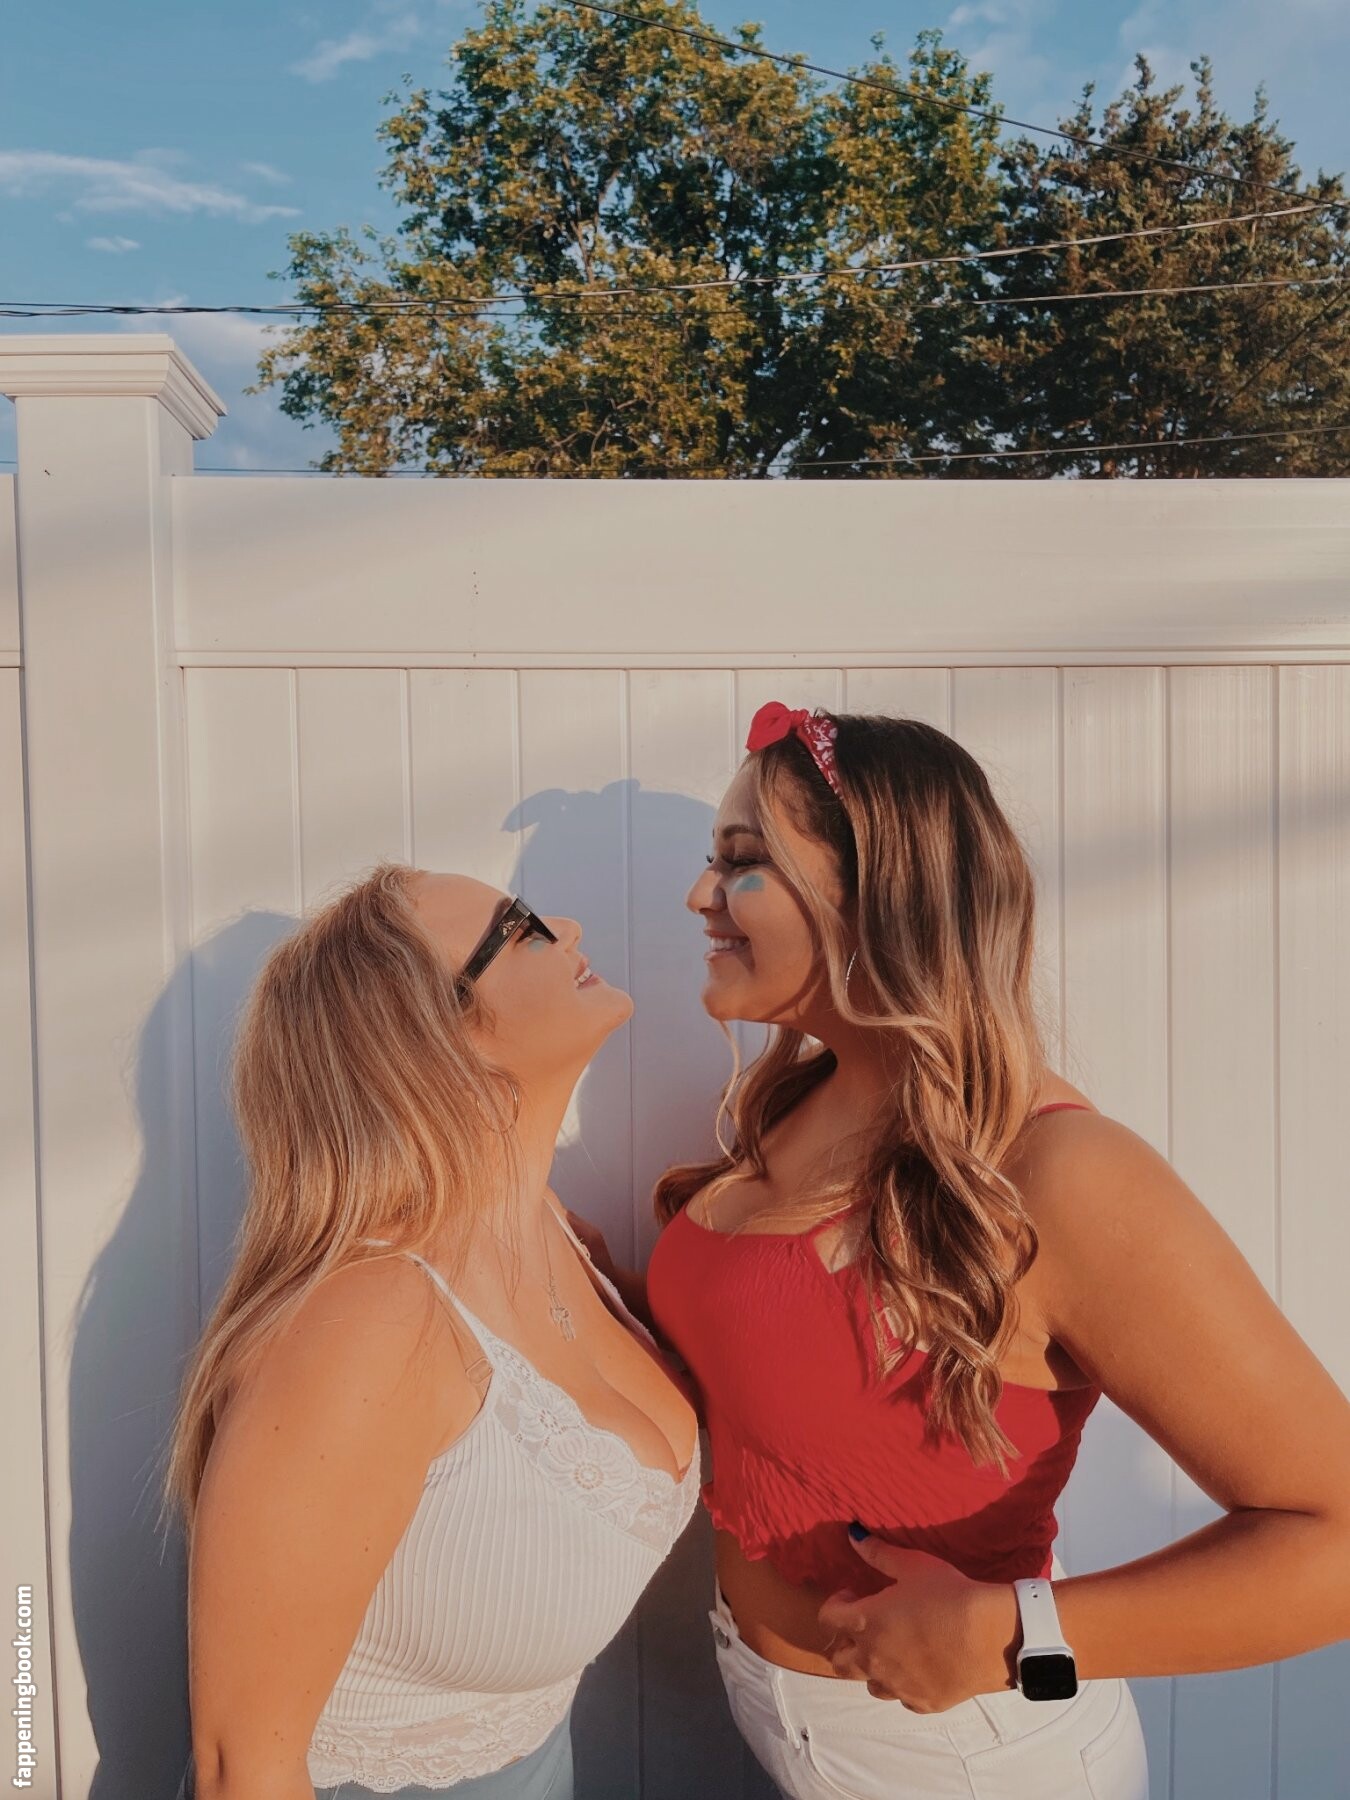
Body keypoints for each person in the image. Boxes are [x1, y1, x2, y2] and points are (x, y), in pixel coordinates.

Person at [576, 702, 1350, 1800]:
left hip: (972, 1758)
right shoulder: (799, 1100)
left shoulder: (1060, 1174)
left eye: (743, 863)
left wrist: (1013, 1635)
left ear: (879, 894)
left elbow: (1334, 1536)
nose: (701, 895)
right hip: (781, 1717)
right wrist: (578, 1284)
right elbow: (789, 1360)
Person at [164, 865, 699, 1800]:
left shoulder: (557, 1233)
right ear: (434, 1039)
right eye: (519, 927)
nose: (567, 925)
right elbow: (242, 1769)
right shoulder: (365, 1329)